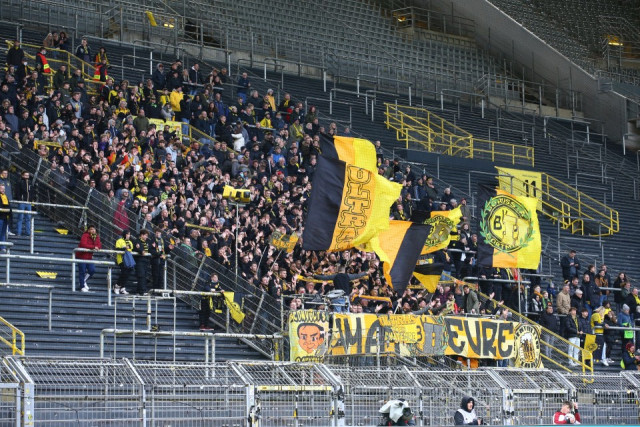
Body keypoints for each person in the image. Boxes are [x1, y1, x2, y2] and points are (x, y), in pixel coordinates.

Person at [76, 225, 102, 292]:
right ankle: (82, 286)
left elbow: (99, 245)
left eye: (94, 229)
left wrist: (96, 247)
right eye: (91, 229)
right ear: (88, 230)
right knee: (82, 271)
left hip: (89, 257)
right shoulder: (85, 235)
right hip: (81, 256)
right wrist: (93, 247)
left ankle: (83, 281)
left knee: (92, 270)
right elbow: (83, 244)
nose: (93, 230)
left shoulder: (96, 236)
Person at [14, 171, 33, 236]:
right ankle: (18, 232)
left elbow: (31, 192)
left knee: (28, 218)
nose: (27, 176)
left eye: (28, 175)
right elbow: (17, 191)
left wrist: (31, 199)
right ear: (22, 175)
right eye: (26, 175)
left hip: (28, 202)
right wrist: (20, 199)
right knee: (20, 218)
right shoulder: (20, 182)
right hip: (22, 202)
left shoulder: (30, 183)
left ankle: (28, 232)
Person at [133, 229, 151, 295]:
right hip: (139, 261)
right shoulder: (137, 241)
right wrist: (141, 251)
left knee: (144, 276)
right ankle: (142, 291)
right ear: (142, 235)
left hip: (145, 261)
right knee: (141, 275)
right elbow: (136, 248)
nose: (146, 237)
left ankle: (139, 291)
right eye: (145, 235)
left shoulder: (146, 242)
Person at [114, 230, 132, 295]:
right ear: (125, 234)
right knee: (124, 272)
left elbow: (131, 249)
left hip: (128, 260)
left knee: (127, 273)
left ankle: (122, 287)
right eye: (128, 234)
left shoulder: (130, 242)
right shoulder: (119, 241)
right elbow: (117, 249)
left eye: (129, 234)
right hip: (121, 259)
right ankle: (117, 286)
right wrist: (124, 248)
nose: (129, 235)